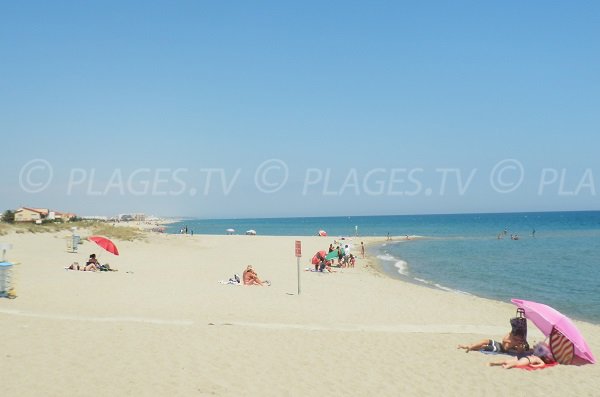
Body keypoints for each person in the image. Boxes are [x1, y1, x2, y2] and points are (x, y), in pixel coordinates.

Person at [488, 342, 555, 369]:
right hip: (527, 359)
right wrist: (534, 365)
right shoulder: (538, 359)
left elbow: (534, 348)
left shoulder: (535, 354)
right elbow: (542, 364)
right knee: (517, 363)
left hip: (524, 356)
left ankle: (493, 363)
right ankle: (506, 366)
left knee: (507, 360)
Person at [457, 332, 529, 354]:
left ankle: (466, 347)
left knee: (483, 346)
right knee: (485, 340)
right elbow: (503, 340)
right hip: (499, 344)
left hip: (500, 349)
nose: (519, 339)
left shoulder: (519, 345)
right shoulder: (512, 335)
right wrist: (512, 339)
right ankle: (468, 347)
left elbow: (519, 352)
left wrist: (519, 345)